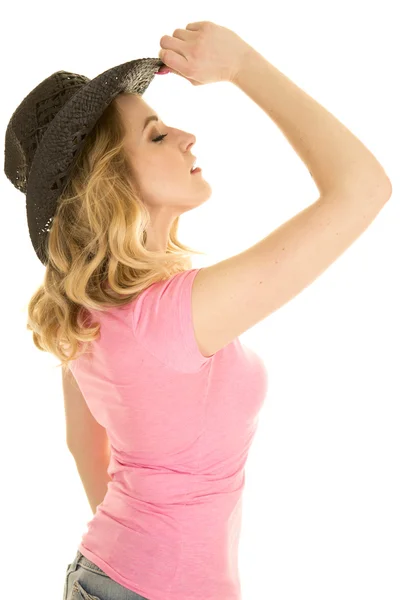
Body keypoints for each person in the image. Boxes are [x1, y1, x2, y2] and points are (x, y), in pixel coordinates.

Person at [4, 20, 391, 600]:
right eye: (156, 136)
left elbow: (83, 445)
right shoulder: (169, 316)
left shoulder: (87, 306)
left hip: (106, 576)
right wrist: (244, 67)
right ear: (113, 180)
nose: (186, 136)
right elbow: (363, 187)